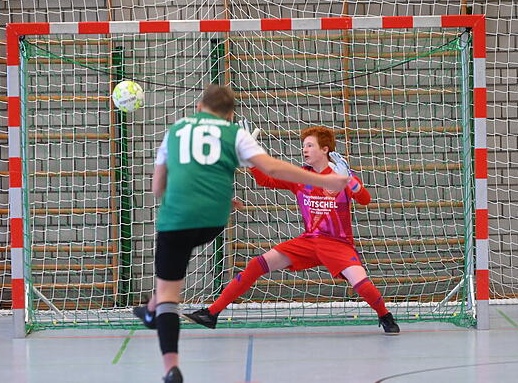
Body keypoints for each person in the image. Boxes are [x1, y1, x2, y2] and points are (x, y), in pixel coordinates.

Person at [133, 85, 350, 383]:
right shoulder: (235, 134)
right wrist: (325, 180)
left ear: (199, 107)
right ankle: (150, 310)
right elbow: (274, 168)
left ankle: (171, 366)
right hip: (213, 221)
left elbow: (158, 187)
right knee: (170, 280)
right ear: (230, 114)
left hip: (178, 220)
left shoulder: (177, 130)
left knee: (170, 294)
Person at [183, 124, 400, 336]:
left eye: (310, 145)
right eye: (303, 145)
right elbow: (265, 180)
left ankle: (385, 316)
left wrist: (350, 181)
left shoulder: (341, 175)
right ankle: (211, 314)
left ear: (325, 149)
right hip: (308, 241)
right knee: (256, 264)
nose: (304, 149)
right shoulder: (301, 177)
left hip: (337, 244)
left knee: (360, 283)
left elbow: (365, 199)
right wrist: (250, 157)